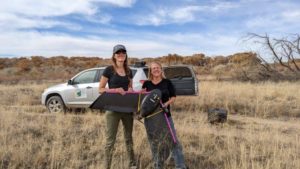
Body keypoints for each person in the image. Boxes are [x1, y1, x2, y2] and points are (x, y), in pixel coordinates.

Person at [142, 61, 187, 169]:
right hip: (150, 119)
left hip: (165, 116)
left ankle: (180, 166)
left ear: (161, 69)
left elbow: (173, 97)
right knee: (154, 142)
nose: (156, 70)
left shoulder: (167, 82)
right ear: (151, 71)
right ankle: (158, 165)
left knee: (172, 140)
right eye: (153, 68)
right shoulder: (146, 84)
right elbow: (142, 100)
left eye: (157, 67)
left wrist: (166, 104)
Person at [99, 44, 136, 169]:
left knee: (128, 138)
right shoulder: (109, 70)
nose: (121, 55)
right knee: (110, 141)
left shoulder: (129, 71)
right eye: (118, 53)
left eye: (123, 53)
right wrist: (115, 90)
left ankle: (132, 164)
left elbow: (131, 87)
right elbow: (100, 89)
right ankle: (107, 166)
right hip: (113, 109)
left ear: (125, 55)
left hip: (127, 109)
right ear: (114, 56)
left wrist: (131, 90)